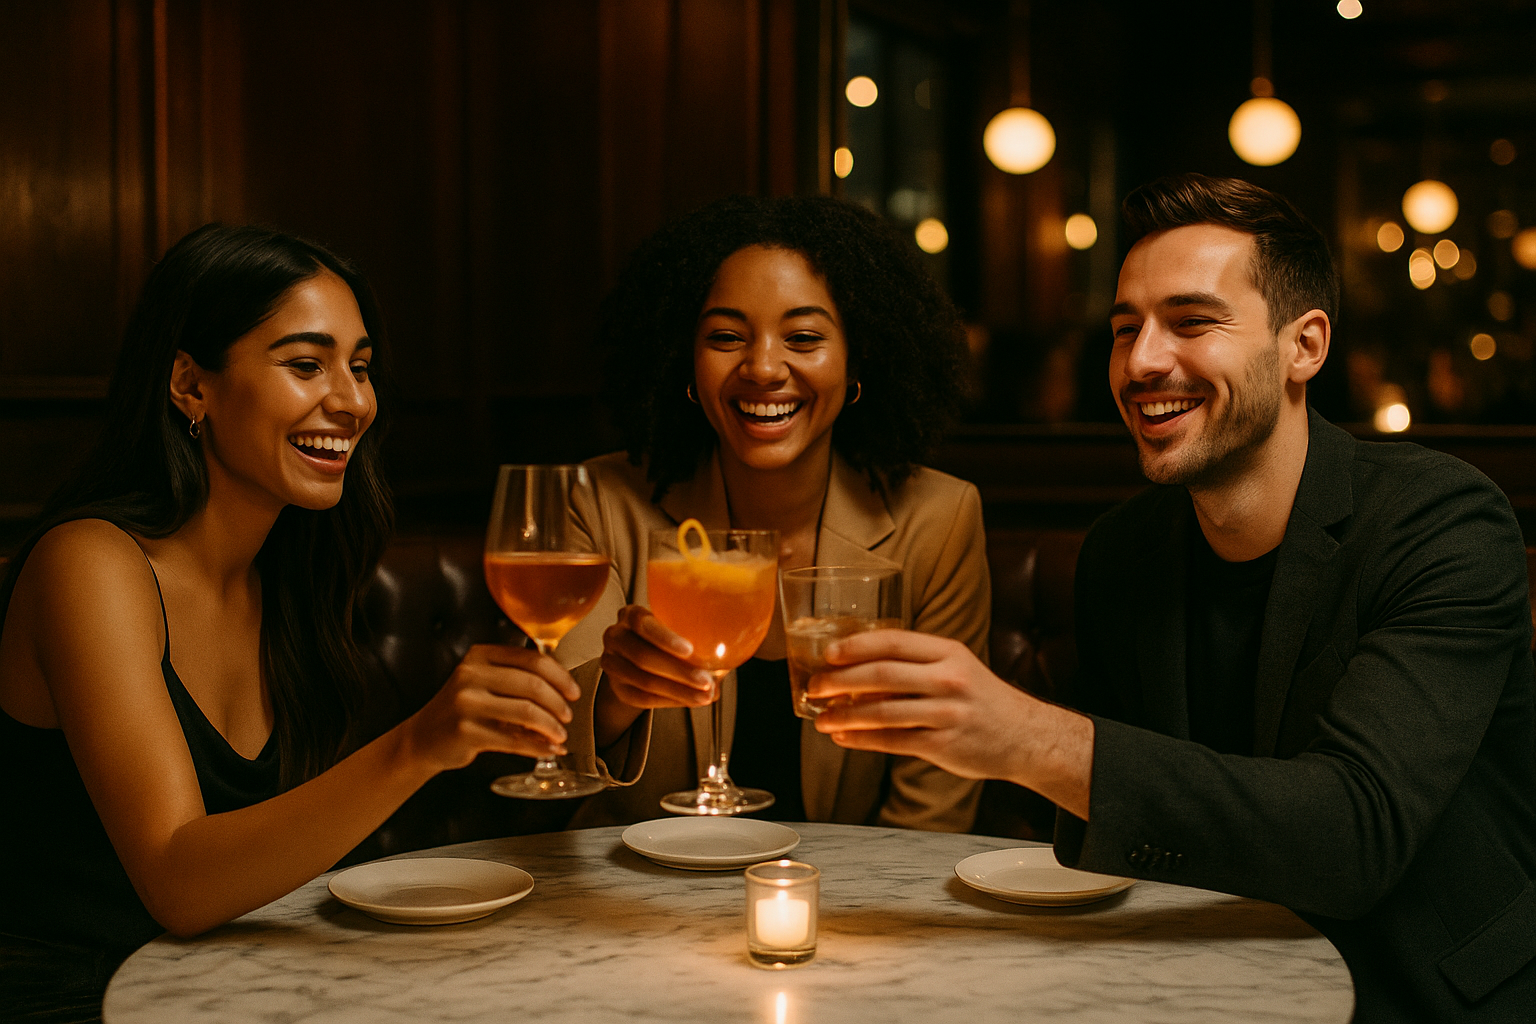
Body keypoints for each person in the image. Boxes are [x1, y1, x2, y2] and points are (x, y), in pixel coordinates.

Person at [808, 174, 1536, 1021]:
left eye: (1192, 322)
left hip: (1430, 998)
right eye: (1125, 330)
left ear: (1304, 347)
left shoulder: (1440, 522)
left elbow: (1354, 832)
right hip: (1209, 989)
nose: (1143, 361)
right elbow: (1143, 855)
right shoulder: (1124, 553)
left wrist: (1023, 736)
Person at [0, 225, 580, 1021]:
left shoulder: (289, 576)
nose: (351, 400)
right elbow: (177, 878)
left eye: (361, 366)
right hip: (73, 1000)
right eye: (306, 364)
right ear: (189, 385)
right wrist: (418, 744)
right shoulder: (91, 565)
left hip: (221, 988)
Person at [556, 194, 988, 830]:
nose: (762, 368)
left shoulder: (939, 519)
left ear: (857, 359)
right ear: (686, 360)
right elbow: (555, 753)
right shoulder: (599, 502)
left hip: (858, 905)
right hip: (641, 903)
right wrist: (618, 693)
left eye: (804, 338)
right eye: (726, 337)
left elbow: (934, 805)